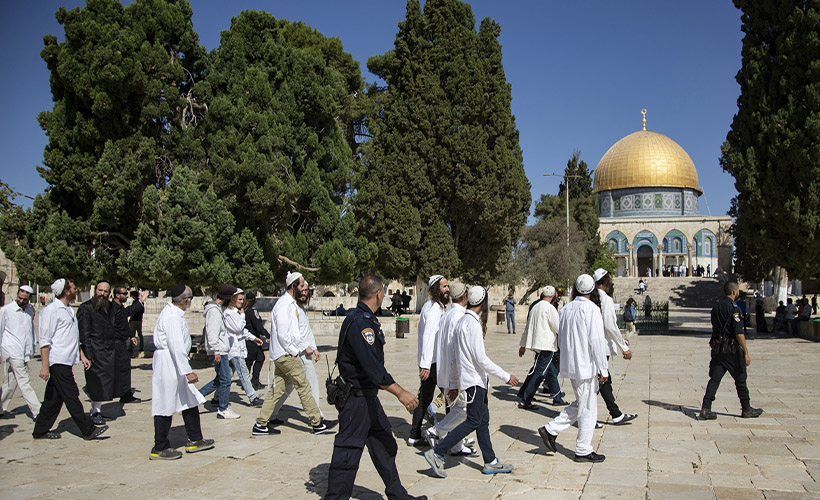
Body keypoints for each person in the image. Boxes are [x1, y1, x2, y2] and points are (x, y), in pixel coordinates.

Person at [324, 274, 426, 500]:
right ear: (379, 294)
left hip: (368, 397)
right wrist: (401, 393)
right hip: (356, 400)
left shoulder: (363, 318)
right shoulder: (361, 323)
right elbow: (373, 369)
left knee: (384, 444)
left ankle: (398, 495)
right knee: (348, 453)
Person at [424, 286, 519, 478]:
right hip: (474, 382)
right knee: (474, 420)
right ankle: (438, 451)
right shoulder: (472, 324)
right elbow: (481, 359)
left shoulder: (463, 321)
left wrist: (452, 383)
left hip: (474, 382)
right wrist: (506, 376)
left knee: (483, 421)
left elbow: (454, 357)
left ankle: (490, 461)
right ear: (483, 303)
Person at [536, 274, 608, 463]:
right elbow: (597, 341)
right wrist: (603, 367)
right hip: (586, 365)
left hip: (573, 363)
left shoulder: (567, 308)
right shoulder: (592, 309)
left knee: (582, 403)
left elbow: (562, 336)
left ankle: (550, 430)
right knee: (588, 409)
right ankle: (583, 449)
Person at [253, 272, 328, 436]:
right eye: (301, 286)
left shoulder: (291, 304)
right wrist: (295, 351)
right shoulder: (284, 305)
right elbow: (283, 334)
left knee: (276, 390)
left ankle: (261, 424)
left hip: (285, 353)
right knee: (303, 386)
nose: (303, 289)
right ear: (293, 286)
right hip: (286, 354)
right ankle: (317, 423)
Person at [33, 279, 107, 440]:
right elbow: (45, 341)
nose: (76, 290)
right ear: (66, 291)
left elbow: (72, 337)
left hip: (67, 359)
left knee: (53, 399)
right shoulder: (51, 311)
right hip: (58, 360)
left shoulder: (67, 310)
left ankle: (40, 430)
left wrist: (82, 355)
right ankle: (87, 429)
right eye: (73, 288)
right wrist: (45, 366)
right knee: (71, 395)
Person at [150, 285, 214, 460]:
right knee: (165, 402)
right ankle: (160, 447)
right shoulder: (172, 316)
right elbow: (176, 345)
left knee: (189, 400)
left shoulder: (175, 314)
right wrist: (187, 371)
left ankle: (195, 438)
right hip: (169, 363)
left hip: (173, 362)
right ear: (185, 299)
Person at [424, 282, 475, 456]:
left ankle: (456, 445)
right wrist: (454, 382)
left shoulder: (447, 314)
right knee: (465, 411)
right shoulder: (458, 317)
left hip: (444, 371)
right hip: (456, 375)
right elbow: (455, 351)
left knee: (455, 409)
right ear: (465, 296)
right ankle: (436, 431)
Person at [700, 281, 763, 420]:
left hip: (717, 349)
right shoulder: (734, 308)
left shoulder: (716, 307)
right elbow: (738, 332)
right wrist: (745, 351)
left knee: (714, 379)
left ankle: (706, 408)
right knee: (740, 378)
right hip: (732, 349)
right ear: (734, 292)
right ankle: (746, 408)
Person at [269, 279, 326, 424]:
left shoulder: (301, 309)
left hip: (303, 351)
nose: (305, 293)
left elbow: (307, 331)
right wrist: (303, 348)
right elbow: (293, 334)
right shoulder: (290, 307)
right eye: (302, 290)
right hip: (298, 353)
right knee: (310, 382)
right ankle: (318, 417)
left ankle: (271, 413)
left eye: (307, 291)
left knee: (287, 386)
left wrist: (314, 347)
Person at [407, 275, 449, 446]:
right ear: (435, 289)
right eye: (444, 286)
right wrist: (425, 365)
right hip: (433, 363)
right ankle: (453, 437)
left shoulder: (433, 306)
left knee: (424, 398)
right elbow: (429, 337)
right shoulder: (433, 310)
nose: (447, 289)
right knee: (452, 396)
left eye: (448, 286)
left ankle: (414, 434)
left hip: (430, 362)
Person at [592, 269, 637, 426]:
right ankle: (584, 417)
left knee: (602, 382)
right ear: (605, 282)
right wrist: (624, 347)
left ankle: (616, 414)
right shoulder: (605, 300)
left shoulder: (589, 298)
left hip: (591, 347)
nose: (612, 283)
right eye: (610, 280)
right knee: (598, 383)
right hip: (601, 347)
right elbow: (610, 326)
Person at [78, 280, 120, 424]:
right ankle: (94, 412)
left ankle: (98, 410)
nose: (102, 294)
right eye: (100, 290)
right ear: (95, 291)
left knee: (106, 383)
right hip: (95, 350)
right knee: (97, 382)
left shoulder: (110, 307)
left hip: (108, 350)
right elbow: (84, 333)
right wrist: (87, 354)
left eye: (105, 291)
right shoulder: (86, 308)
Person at [199, 284, 241, 419]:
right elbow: (212, 332)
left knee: (220, 379)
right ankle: (223, 408)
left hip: (222, 350)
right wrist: (216, 351)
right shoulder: (214, 311)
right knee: (225, 379)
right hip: (219, 351)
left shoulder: (217, 310)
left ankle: (194, 398)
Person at [0, 285, 41, 419]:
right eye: (19, 298)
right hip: (12, 350)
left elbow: (29, 331)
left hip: (24, 352)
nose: (21, 301)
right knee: (24, 382)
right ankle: (38, 412)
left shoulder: (29, 310)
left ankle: (1, 407)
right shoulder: (6, 310)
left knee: (11, 382)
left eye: (25, 299)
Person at [516, 286, 559, 410]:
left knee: (540, 370)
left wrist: (523, 345)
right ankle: (526, 399)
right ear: (553, 295)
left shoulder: (535, 307)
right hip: (546, 345)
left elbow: (527, 326)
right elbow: (558, 327)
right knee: (540, 373)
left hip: (537, 344)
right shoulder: (549, 308)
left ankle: (556, 395)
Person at [223, 289, 264, 407]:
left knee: (226, 376)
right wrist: (242, 316)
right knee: (244, 373)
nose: (242, 302)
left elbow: (242, 331)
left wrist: (253, 338)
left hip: (239, 347)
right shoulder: (229, 313)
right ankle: (252, 397)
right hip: (234, 348)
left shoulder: (236, 313)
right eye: (239, 299)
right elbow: (237, 328)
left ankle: (215, 396)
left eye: (243, 300)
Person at [111, 285, 148, 404]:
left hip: (120, 341)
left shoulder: (118, 307)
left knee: (122, 368)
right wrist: (140, 301)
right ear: (117, 295)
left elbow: (123, 323)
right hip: (116, 343)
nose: (127, 296)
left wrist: (131, 336)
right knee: (121, 368)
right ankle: (124, 393)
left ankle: (124, 392)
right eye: (124, 294)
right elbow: (127, 313)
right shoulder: (113, 308)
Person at [244, 292, 269, 390]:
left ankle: (254, 380)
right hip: (252, 339)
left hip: (254, 339)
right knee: (249, 361)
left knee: (260, 358)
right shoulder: (251, 311)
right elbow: (258, 325)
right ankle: (247, 382)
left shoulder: (246, 311)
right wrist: (267, 335)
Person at [127, 290, 145, 357]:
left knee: (132, 334)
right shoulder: (141, 302)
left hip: (134, 320)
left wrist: (131, 319)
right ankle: (141, 346)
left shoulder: (135, 302)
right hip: (139, 320)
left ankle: (131, 347)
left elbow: (133, 311)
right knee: (140, 334)